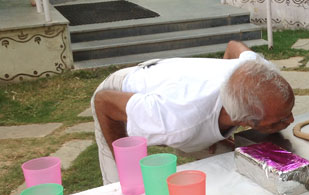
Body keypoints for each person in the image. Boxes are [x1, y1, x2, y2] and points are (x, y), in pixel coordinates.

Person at [91, 40, 295, 185]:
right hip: (118, 94)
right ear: (243, 119)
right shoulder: (177, 121)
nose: (291, 120)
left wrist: (215, 135)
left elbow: (233, 47)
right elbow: (103, 103)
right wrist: (128, 167)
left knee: (233, 162)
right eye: (281, 120)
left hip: (176, 84)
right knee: (124, 187)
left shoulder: (257, 68)